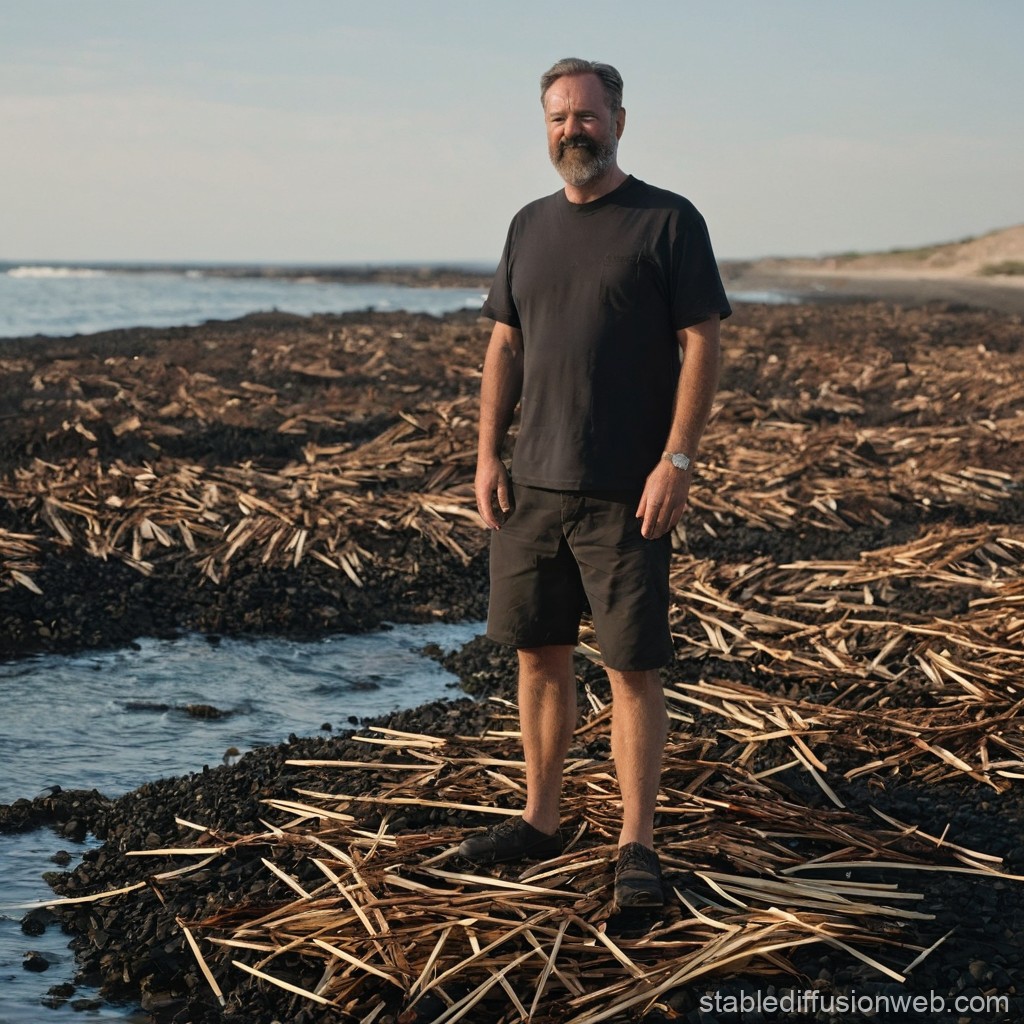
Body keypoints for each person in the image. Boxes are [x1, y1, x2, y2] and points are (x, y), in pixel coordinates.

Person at [458, 57, 731, 910]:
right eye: (556, 117)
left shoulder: (667, 221)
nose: (571, 129)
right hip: (531, 488)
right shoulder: (527, 226)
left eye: (585, 114)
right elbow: (505, 344)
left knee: (631, 667)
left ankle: (637, 845)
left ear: (618, 119)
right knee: (539, 658)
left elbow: (704, 343)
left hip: (626, 490)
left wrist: (676, 460)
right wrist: (487, 454)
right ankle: (542, 820)